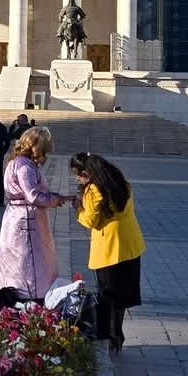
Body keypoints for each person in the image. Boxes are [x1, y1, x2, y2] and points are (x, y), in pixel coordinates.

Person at [68, 151, 146, 354]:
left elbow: (91, 220)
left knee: (106, 293)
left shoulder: (94, 189)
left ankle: (105, 334)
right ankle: (117, 333)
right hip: (130, 243)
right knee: (121, 294)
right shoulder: (121, 182)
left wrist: (78, 208)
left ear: (86, 172)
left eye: (78, 175)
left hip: (109, 247)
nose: (78, 179)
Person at [0, 126, 66, 300]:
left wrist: (57, 196)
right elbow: (33, 196)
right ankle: (29, 296)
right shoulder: (24, 165)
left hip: (19, 215)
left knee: (16, 259)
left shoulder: (19, 162)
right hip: (25, 220)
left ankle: (15, 292)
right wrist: (54, 200)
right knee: (28, 260)